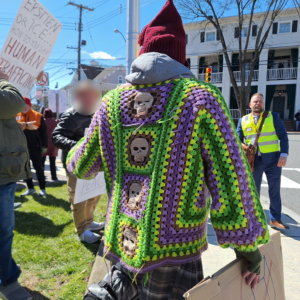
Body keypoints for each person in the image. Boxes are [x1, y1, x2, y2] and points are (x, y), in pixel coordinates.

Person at [67, 1, 270, 299]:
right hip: (176, 250)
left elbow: (82, 164)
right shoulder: (201, 99)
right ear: (181, 57)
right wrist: (248, 249)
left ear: (142, 52)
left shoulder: (110, 104)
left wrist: (74, 150)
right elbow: (231, 180)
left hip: (122, 243)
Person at [52, 80, 105, 244]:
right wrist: (78, 147)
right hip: (77, 165)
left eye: (94, 95)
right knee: (78, 198)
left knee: (94, 195)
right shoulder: (71, 114)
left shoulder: (100, 113)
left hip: (96, 164)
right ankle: (81, 230)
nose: (91, 98)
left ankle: (89, 221)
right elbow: (56, 137)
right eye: (86, 95)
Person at [0, 69, 32, 300]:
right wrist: (3, 80)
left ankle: (6, 276)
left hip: (4, 176)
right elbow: (14, 103)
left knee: (3, 231)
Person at [237, 93, 289, 230]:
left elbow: (283, 137)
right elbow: (236, 139)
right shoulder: (243, 120)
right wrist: (243, 146)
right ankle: (255, 219)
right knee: (254, 191)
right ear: (250, 104)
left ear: (263, 104)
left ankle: (275, 219)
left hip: (273, 161)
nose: (257, 104)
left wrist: (284, 154)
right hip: (253, 161)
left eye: (260, 101)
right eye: (255, 101)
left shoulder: (273, 117)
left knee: (274, 190)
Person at [16, 98, 48, 197]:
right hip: (21, 148)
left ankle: (42, 188)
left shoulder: (38, 115)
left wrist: (44, 145)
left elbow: (44, 133)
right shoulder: (16, 115)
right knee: (26, 169)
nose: (24, 106)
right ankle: (30, 188)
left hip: (35, 147)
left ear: (30, 105)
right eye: (23, 104)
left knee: (38, 168)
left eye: (26, 104)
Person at [42, 108, 59, 181]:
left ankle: (42, 176)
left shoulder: (42, 122)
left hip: (43, 143)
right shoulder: (55, 122)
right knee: (52, 162)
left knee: (42, 162)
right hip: (53, 144)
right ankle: (54, 177)